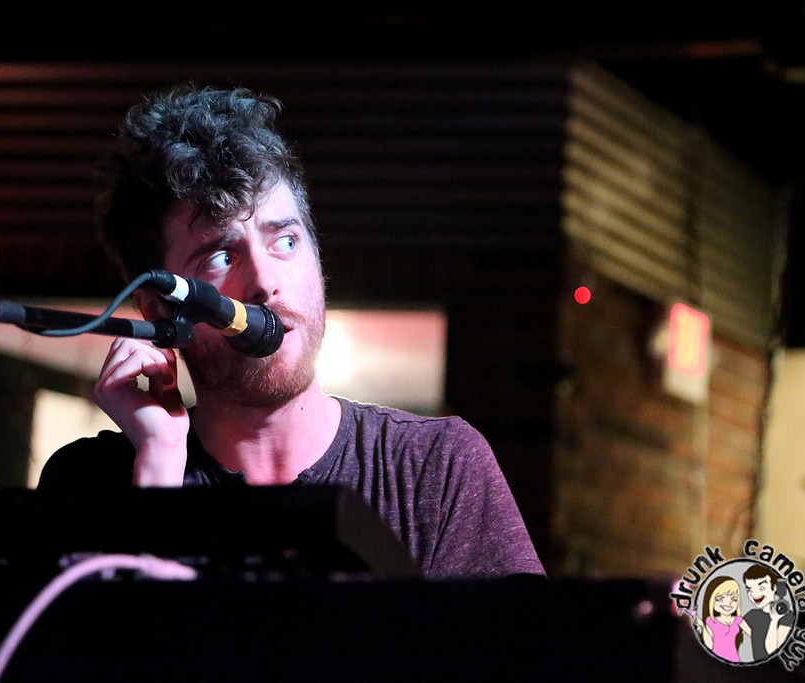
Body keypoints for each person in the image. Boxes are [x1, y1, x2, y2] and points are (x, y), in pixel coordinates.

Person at [36, 82, 546, 581]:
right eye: (221, 256)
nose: (264, 283)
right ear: (157, 310)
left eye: (285, 241)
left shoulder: (434, 467)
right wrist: (159, 471)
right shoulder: (92, 482)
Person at [691, 575, 750, 662]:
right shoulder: (711, 621)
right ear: (711, 600)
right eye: (720, 599)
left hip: (735, 660)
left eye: (734, 599)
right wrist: (702, 626)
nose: (728, 603)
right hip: (715, 662)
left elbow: (754, 635)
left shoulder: (738, 620)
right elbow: (709, 645)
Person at [741, 564, 794, 660]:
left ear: (774, 587)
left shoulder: (787, 616)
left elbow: (771, 650)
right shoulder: (752, 614)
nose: (754, 593)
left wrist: (774, 620)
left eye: (761, 588)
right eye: (750, 589)